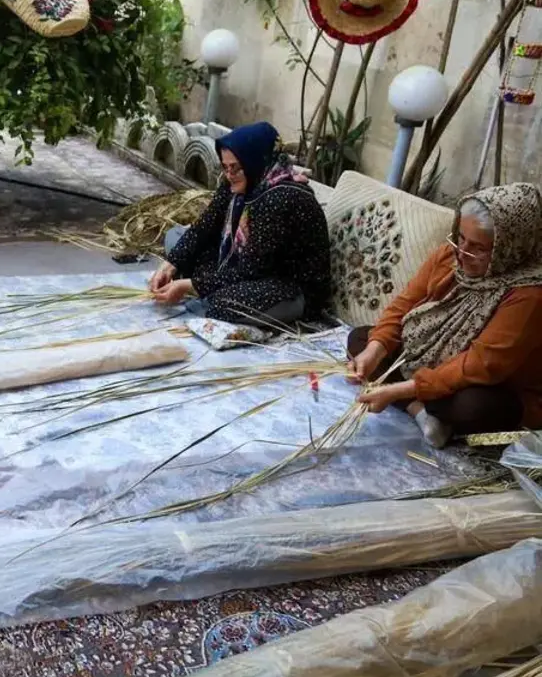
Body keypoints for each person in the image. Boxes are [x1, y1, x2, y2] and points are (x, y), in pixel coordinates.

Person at [347, 183, 542, 448]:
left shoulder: (529, 294)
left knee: (471, 408)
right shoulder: (449, 257)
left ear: (510, 247)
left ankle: (425, 405)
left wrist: (399, 390)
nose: (462, 253)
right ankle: (423, 414)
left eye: (477, 248)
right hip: (432, 361)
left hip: (495, 386)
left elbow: (479, 366)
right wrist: (375, 350)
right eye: (460, 238)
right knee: (362, 339)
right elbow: (403, 306)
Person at [148, 121, 331, 328]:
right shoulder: (239, 181)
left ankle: (212, 292)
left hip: (286, 287)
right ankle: (205, 284)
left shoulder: (282, 198)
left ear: (254, 161)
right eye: (225, 167)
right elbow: (203, 227)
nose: (228, 175)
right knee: (176, 238)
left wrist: (190, 285)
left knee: (222, 304)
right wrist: (170, 266)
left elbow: (251, 270)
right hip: (245, 266)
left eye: (235, 168)